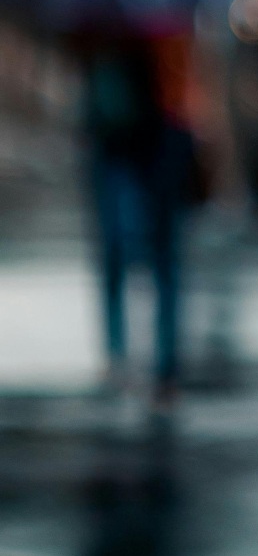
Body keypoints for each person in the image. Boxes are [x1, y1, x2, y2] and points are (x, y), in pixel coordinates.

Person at [75, 26, 203, 415]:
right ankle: (118, 358)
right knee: (117, 246)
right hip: (115, 131)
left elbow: (190, 71)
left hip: (163, 132)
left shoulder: (172, 11)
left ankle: (165, 368)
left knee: (164, 255)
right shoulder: (102, 11)